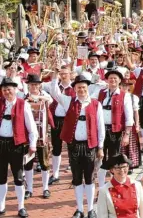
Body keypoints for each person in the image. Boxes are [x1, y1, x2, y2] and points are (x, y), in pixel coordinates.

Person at [48, 73, 105, 218]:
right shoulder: (69, 101)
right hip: (74, 146)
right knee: (77, 178)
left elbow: (100, 126)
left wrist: (100, 147)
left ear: (87, 88)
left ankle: (91, 209)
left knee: (90, 177)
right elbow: (55, 92)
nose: (81, 90)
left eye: (84, 87)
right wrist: (56, 76)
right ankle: (79, 209)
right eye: (79, 87)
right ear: (75, 89)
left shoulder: (95, 103)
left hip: (90, 146)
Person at [0, 78, 38, 218]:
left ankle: (21, 206)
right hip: (1, 144)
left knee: (18, 177)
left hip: (16, 145)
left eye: (9, 89)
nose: (6, 92)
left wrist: (33, 144)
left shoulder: (23, 105)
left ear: (15, 90)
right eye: (4, 90)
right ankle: (1, 205)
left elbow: (32, 127)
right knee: (1, 176)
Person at [97, 65, 134, 188]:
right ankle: (102, 186)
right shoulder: (101, 93)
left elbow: (129, 117)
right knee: (99, 157)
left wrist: (126, 135)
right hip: (101, 130)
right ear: (107, 80)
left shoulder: (125, 95)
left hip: (115, 131)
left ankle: (113, 185)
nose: (112, 80)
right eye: (110, 78)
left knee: (114, 158)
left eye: (115, 78)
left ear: (119, 81)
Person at [22, 74, 53, 200]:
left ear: (39, 85)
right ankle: (29, 189)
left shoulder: (46, 96)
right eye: (32, 85)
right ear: (28, 85)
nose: (34, 86)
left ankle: (45, 188)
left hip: (43, 135)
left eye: (36, 84)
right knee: (28, 163)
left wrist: (37, 97)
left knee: (44, 163)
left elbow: (50, 100)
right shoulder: (23, 98)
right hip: (28, 137)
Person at [43, 65, 75, 185]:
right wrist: (54, 74)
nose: (63, 75)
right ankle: (55, 174)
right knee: (56, 147)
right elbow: (52, 89)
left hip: (69, 120)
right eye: (61, 73)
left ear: (70, 73)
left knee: (72, 146)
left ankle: (74, 172)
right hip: (56, 120)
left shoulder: (74, 88)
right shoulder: (56, 86)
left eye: (65, 73)